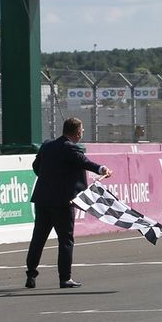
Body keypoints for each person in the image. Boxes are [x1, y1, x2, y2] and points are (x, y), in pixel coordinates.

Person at [25, 117, 112, 289]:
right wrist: (103, 169)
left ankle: (31, 275)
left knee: (38, 238)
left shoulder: (47, 145)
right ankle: (65, 278)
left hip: (42, 199)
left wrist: (49, 179)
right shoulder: (70, 148)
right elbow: (85, 163)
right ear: (77, 132)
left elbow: (36, 167)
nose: (82, 134)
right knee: (66, 239)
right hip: (62, 202)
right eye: (82, 131)